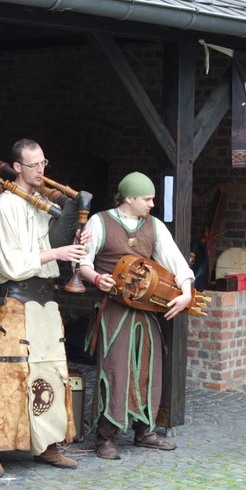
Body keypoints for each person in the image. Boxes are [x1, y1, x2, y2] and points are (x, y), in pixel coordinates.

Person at [0, 138, 89, 477]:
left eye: (43, 163)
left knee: (51, 371)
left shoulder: (42, 203)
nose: (41, 170)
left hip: (46, 300)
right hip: (15, 299)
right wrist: (56, 253)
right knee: (6, 375)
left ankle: (47, 445)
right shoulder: (5, 206)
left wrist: (74, 239)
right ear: (17, 167)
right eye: (34, 164)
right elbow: (11, 264)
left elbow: (53, 243)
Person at [77, 171, 194, 460]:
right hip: (113, 312)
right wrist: (97, 279)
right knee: (115, 371)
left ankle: (145, 430)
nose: (152, 204)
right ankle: (106, 436)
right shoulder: (100, 222)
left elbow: (175, 261)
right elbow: (82, 262)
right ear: (129, 198)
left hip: (146, 312)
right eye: (147, 199)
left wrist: (186, 292)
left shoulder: (154, 226)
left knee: (147, 370)